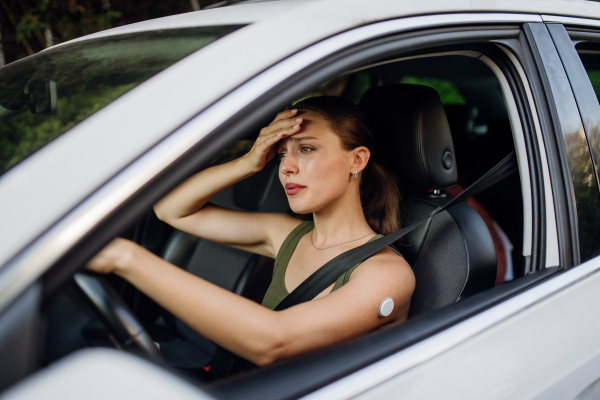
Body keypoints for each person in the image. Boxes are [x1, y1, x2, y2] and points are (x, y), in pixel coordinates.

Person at [86, 96, 415, 367]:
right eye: (282, 152)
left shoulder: (387, 274)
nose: (285, 166)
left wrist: (126, 258)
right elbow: (171, 210)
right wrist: (249, 162)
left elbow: (273, 341)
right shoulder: (286, 234)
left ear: (357, 160)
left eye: (306, 149)